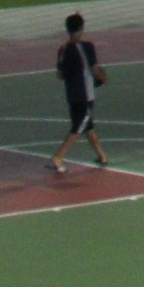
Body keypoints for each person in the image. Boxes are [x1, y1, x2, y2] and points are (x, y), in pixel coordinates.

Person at [46, 12, 108, 171]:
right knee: (79, 128)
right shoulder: (87, 47)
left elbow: (60, 75)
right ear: (81, 28)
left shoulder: (63, 50)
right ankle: (58, 158)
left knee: (87, 125)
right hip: (85, 94)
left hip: (72, 95)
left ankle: (102, 155)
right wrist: (102, 78)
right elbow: (94, 69)